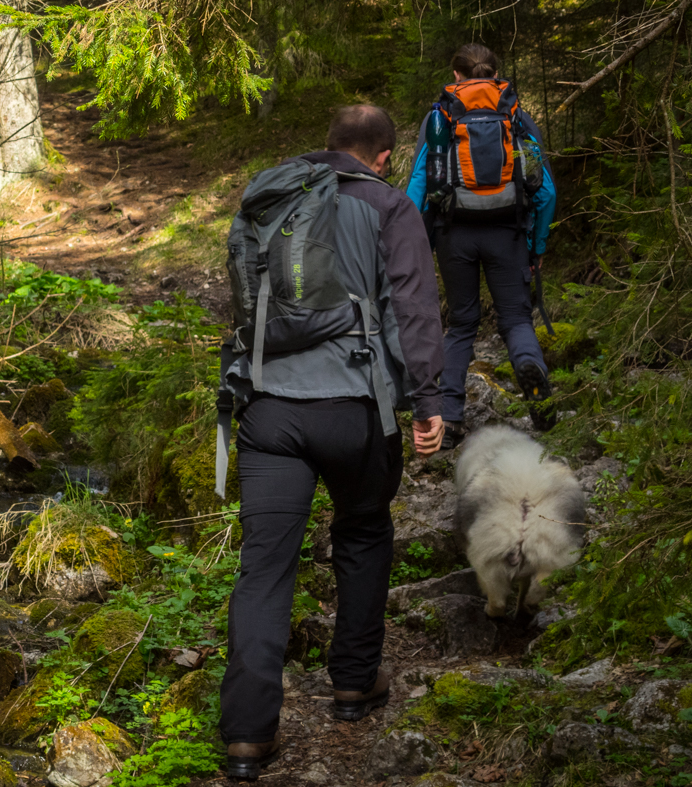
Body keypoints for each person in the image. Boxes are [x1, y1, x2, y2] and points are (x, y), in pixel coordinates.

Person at [218, 105, 445, 782]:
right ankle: (352, 683)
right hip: (353, 406)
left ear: (327, 146)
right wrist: (427, 400)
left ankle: (247, 737)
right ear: (381, 156)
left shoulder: (272, 194)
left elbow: (243, 298)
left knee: (264, 568)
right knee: (364, 530)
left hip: (268, 410)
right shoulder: (387, 206)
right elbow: (412, 305)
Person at [406, 43, 558, 448]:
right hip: (507, 233)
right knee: (516, 319)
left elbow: (419, 187)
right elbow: (546, 194)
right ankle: (530, 369)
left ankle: (451, 419)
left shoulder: (439, 119)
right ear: (495, 73)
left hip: (453, 233)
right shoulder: (516, 116)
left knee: (461, 324)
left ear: (457, 76)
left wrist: (411, 240)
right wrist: (537, 245)